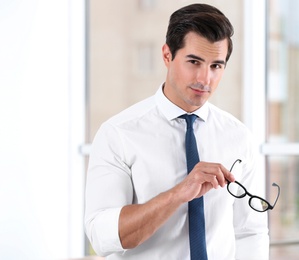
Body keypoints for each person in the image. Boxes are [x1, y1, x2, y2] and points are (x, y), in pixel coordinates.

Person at [84, 3, 269, 259]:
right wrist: (179, 193)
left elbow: (251, 232)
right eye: (194, 61)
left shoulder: (238, 137)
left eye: (216, 66)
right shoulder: (118, 134)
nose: (205, 79)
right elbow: (102, 237)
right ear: (167, 55)